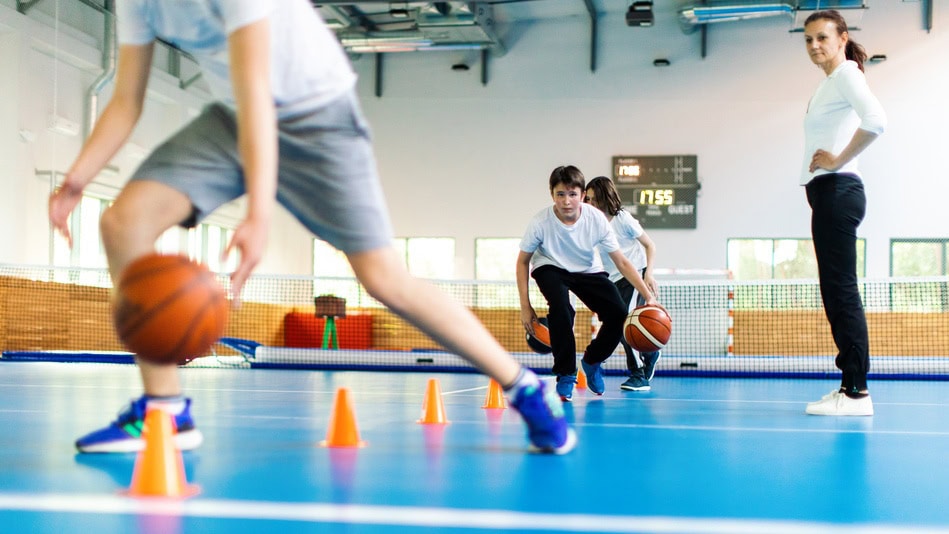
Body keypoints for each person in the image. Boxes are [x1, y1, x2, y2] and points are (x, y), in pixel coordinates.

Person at [48, 0, 575, 454]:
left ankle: (524, 386)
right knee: (122, 223)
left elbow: (257, 87)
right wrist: (76, 181)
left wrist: (258, 213)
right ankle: (165, 410)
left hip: (317, 118)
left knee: (384, 279)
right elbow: (126, 98)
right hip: (233, 121)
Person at [799, 10, 886, 416]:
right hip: (828, 193)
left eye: (822, 38)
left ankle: (856, 393)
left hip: (838, 189)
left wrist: (836, 160)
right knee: (835, 292)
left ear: (842, 38)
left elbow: (877, 121)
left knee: (842, 291)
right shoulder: (831, 82)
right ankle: (849, 386)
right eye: (809, 40)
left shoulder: (848, 74)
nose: (815, 45)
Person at [516, 165, 657, 402]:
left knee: (619, 314)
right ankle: (566, 374)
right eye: (560, 194)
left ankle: (592, 361)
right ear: (552, 195)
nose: (567, 201)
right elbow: (522, 263)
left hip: (586, 269)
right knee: (561, 308)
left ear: (582, 196)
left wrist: (648, 295)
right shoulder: (540, 222)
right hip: (549, 266)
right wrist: (525, 306)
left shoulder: (597, 220)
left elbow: (622, 261)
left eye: (573, 195)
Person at [584, 176, 660, 392]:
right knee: (617, 326)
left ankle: (638, 375)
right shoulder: (591, 226)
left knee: (628, 322)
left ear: (605, 198)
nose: (589, 204)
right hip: (614, 280)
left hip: (636, 274)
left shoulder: (622, 219)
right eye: (587, 199)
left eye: (593, 199)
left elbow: (650, 245)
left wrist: (649, 275)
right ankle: (650, 353)